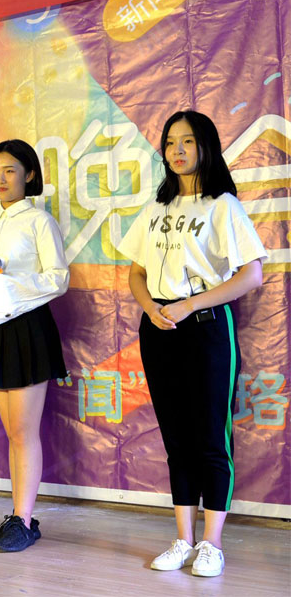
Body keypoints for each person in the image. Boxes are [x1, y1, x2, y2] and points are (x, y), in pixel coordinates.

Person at [118, 110, 266, 577]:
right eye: (170, 142)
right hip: (159, 329)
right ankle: (182, 539)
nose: (177, 150)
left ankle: (211, 543)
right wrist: (150, 307)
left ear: (205, 146)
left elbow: (252, 274)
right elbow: (136, 273)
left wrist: (190, 304)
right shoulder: (157, 208)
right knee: (176, 439)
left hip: (206, 327)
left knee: (210, 440)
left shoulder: (223, 205)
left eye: (187, 141)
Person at [0, 140, 69, 551]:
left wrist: (4, 288)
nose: (0, 179)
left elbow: (58, 277)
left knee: (23, 432)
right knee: (12, 433)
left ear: (29, 175)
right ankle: (18, 516)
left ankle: (24, 519)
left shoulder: (39, 221)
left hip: (26, 328)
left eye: (10, 170)